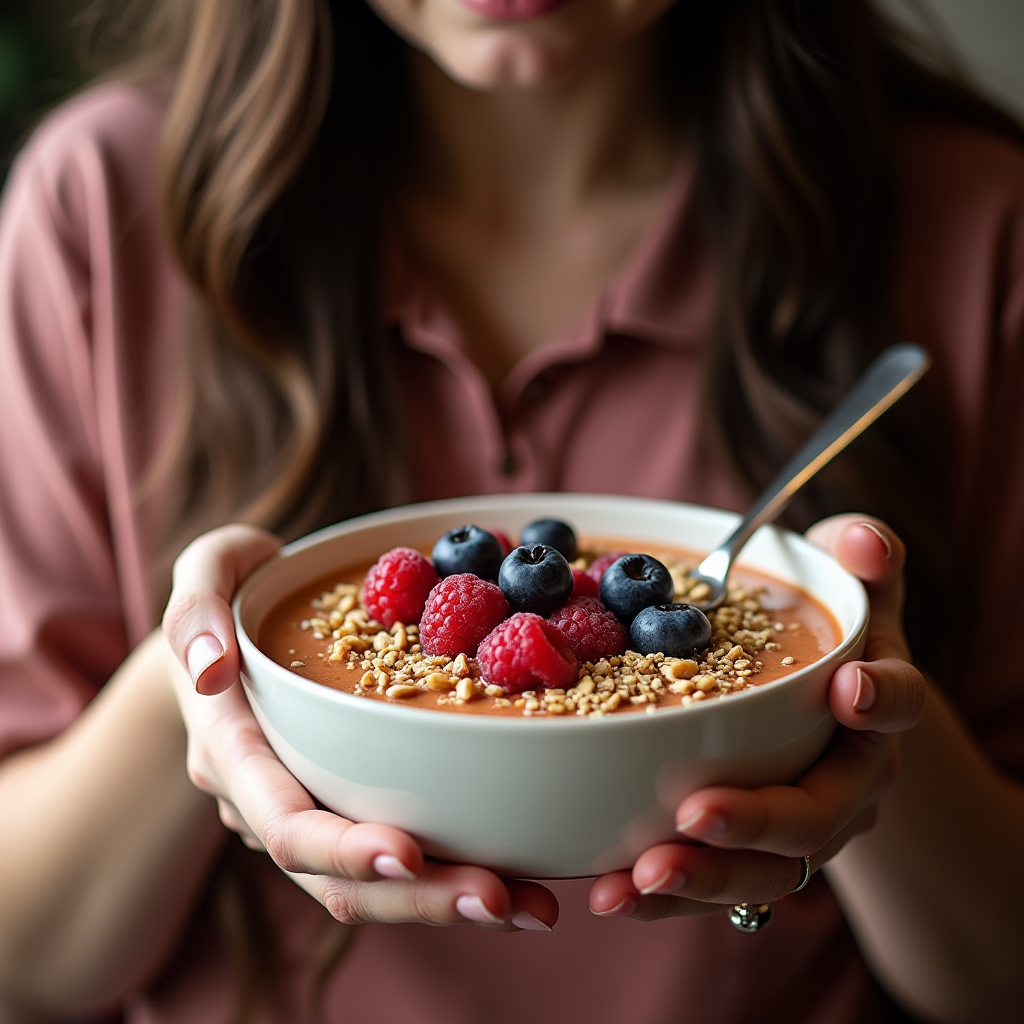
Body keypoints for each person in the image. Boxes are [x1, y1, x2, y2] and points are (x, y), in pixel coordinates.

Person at [1, 1, 1023, 1021]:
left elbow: (996, 978)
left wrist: (858, 726)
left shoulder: (972, 219)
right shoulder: (104, 200)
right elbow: (25, 967)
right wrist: (199, 680)